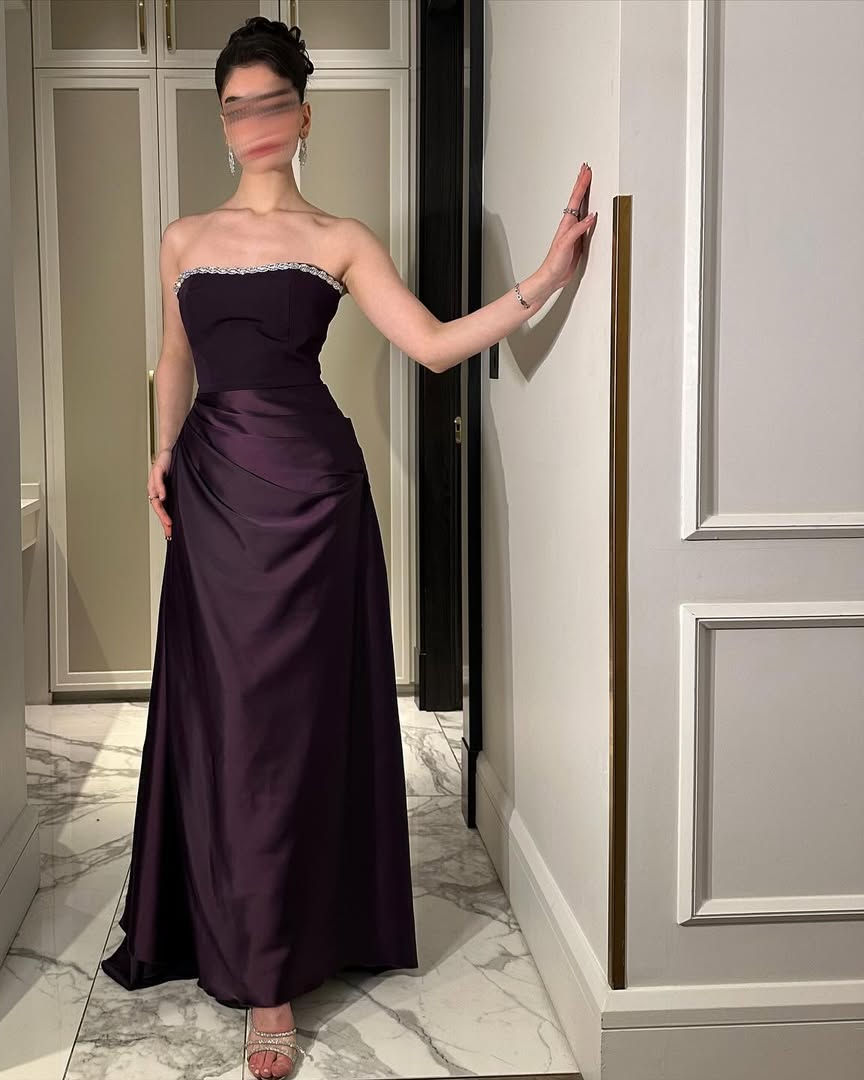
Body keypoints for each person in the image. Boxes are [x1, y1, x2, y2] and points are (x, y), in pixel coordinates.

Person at [99, 16, 596, 1079]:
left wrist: (546, 280)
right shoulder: (182, 238)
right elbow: (175, 358)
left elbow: (432, 345)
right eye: (236, 106)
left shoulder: (341, 238)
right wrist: (160, 446)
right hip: (213, 495)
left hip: (314, 496)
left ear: (304, 115)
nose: (254, 122)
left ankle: (281, 958)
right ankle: (237, 934)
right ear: (222, 120)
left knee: (295, 721)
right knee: (228, 718)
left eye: (272, 102)